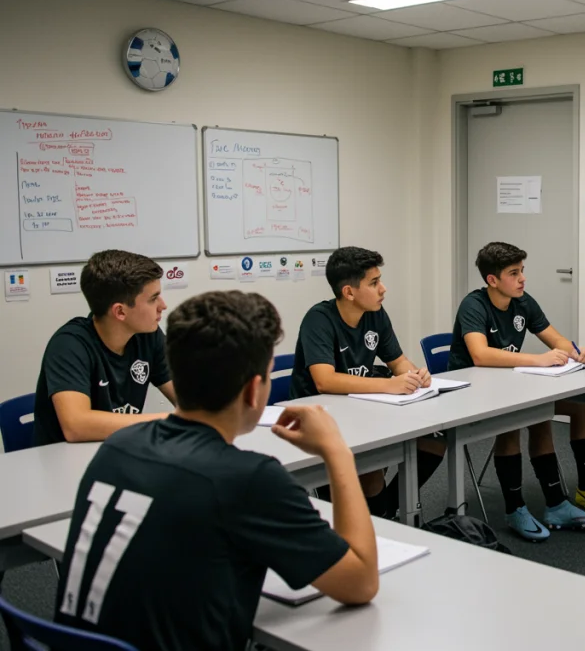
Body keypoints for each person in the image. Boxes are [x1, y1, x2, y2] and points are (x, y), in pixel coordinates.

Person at [53, 290, 378, 650]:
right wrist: (336, 450)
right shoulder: (248, 478)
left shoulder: (117, 447)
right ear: (255, 390)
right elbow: (361, 583)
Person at [447, 241, 585, 541]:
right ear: (492, 280)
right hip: (470, 391)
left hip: (508, 383)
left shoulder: (522, 301)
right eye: (514, 273)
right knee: (521, 414)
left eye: (522, 271)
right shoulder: (473, 305)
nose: (522, 279)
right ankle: (515, 508)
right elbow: (480, 355)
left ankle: (578, 494)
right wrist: (537, 360)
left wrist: (575, 351)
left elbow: (555, 338)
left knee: (577, 405)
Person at [290, 246, 443, 519]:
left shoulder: (375, 313)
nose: (383, 289)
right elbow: (324, 381)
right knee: (371, 470)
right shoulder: (319, 319)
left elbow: (397, 361)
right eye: (374, 283)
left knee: (434, 443)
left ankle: (387, 512)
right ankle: (376, 524)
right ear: (349, 292)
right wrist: (389, 385)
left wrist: (415, 375)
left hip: (365, 410)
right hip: (322, 419)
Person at [33, 249, 177, 446]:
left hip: (117, 452)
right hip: (65, 464)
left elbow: (187, 399)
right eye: (153, 298)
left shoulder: (148, 335)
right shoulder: (69, 345)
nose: (163, 305)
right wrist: (167, 421)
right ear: (120, 311)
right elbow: (76, 426)